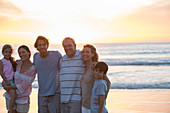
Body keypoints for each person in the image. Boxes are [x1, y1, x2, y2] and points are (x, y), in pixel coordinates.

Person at [3, 45, 36, 113]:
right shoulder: (17, 63)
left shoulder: (32, 69)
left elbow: (23, 87)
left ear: (28, 52)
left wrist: (8, 87)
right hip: (10, 96)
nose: (21, 55)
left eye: (23, 52)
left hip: (22, 99)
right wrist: (4, 82)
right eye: (20, 53)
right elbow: (7, 71)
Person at [33, 36, 62, 113]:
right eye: (40, 45)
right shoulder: (36, 57)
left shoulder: (56, 55)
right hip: (41, 94)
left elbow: (66, 66)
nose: (42, 47)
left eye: (44, 44)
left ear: (47, 45)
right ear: (36, 47)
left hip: (55, 93)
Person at [80, 44, 111, 113]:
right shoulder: (84, 67)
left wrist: (104, 97)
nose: (85, 54)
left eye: (87, 52)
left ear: (93, 54)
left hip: (93, 107)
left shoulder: (96, 67)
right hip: (84, 105)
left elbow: (108, 82)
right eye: (83, 52)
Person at [60, 37, 85, 113]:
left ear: (75, 45)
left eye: (69, 45)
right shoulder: (62, 59)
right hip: (63, 100)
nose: (67, 48)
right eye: (65, 46)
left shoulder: (82, 57)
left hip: (76, 100)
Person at [0, 44, 17, 113]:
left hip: (12, 81)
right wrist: (6, 81)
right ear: (3, 52)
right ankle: (10, 110)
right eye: (6, 52)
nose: (8, 54)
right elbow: (1, 72)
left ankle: (13, 108)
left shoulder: (11, 60)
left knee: (14, 94)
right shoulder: (1, 61)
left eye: (9, 52)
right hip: (6, 81)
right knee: (13, 95)